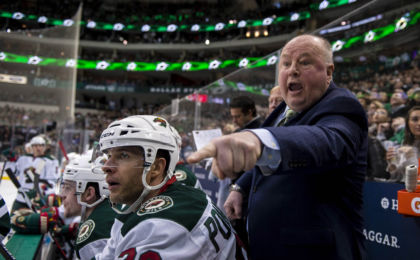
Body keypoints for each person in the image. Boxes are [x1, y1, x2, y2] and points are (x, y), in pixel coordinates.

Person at [188, 34, 368, 259]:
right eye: (285, 63)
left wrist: (257, 140)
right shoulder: (283, 109)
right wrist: (240, 188)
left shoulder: (343, 106)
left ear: (329, 72)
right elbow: (266, 160)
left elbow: (323, 141)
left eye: (304, 62)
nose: (292, 70)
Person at [94, 115, 246, 259]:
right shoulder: (142, 203)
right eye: (109, 156)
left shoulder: (163, 225)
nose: (106, 166)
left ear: (156, 167)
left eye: (123, 155)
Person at [59, 150, 116, 259]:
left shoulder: (94, 234)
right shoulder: (108, 210)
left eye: (67, 188)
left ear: (89, 193)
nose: (62, 195)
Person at [12, 136, 59, 212]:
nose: (38, 148)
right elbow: (15, 173)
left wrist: (42, 192)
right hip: (21, 195)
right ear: (32, 147)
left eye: (41, 146)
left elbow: (53, 181)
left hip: (38, 198)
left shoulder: (50, 161)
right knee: (13, 219)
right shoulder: (23, 158)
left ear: (44, 147)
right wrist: (11, 160)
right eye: (36, 146)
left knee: (32, 221)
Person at [386, 106, 420, 182]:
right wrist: (392, 163)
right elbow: (397, 177)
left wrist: (411, 159)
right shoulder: (405, 144)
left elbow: (416, 179)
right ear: (408, 124)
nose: (419, 123)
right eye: (415, 119)